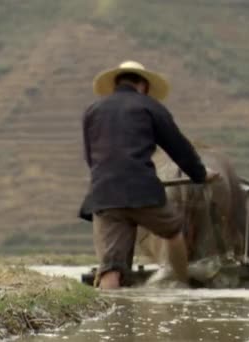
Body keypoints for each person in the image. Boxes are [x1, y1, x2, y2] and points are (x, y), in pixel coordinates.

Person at [79, 60, 218, 289]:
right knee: (173, 232)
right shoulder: (150, 107)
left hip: (104, 194)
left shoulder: (92, 111)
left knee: (110, 266)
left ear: (116, 83)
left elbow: (90, 157)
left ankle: (108, 321)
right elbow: (178, 148)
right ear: (143, 85)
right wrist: (200, 175)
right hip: (142, 191)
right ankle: (181, 285)